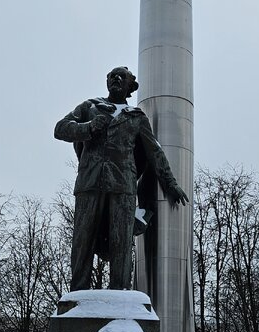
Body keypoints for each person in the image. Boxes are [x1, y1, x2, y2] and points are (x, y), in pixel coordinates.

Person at [54, 66, 188, 290]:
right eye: (112, 76)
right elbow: (60, 129)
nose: (116, 78)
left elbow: (154, 152)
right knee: (82, 241)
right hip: (89, 183)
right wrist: (87, 127)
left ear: (130, 87)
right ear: (107, 82)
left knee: (122, 243)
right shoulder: (90, 107)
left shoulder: (136, 117)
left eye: (122, 77)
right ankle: (77, 294)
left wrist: (171, 183)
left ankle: (120, 293)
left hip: (123, 185)